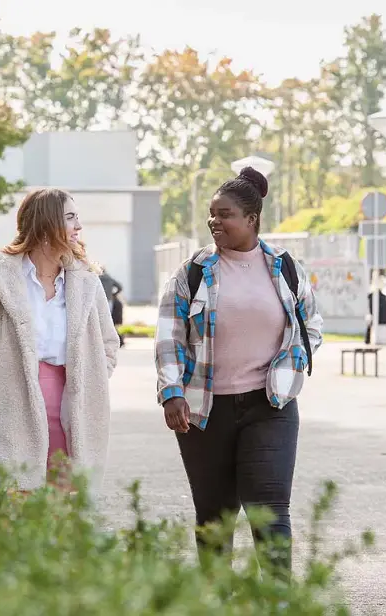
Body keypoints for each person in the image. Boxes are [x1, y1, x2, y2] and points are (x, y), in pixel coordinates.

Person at [154, 166, 324, 576]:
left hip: (271, 406)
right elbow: (168, 335)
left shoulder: (285, 268)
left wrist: (291, 364)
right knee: (214, 516)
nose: (215, 222)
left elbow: (312, 326)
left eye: (225, 214)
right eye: (212, 214)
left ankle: (279, 603)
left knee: (270, 511)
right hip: (203, 410)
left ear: (252, 219)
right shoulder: (192, 273)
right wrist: (171, 390)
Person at [0, 189, 120, 492]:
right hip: (8, 401)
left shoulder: (86, 281)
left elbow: (109, 342)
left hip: (72, 404)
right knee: (13, 498)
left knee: (64, 499)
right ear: (46, 224)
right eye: (70, 218)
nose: (79, 227)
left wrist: (93, 376)